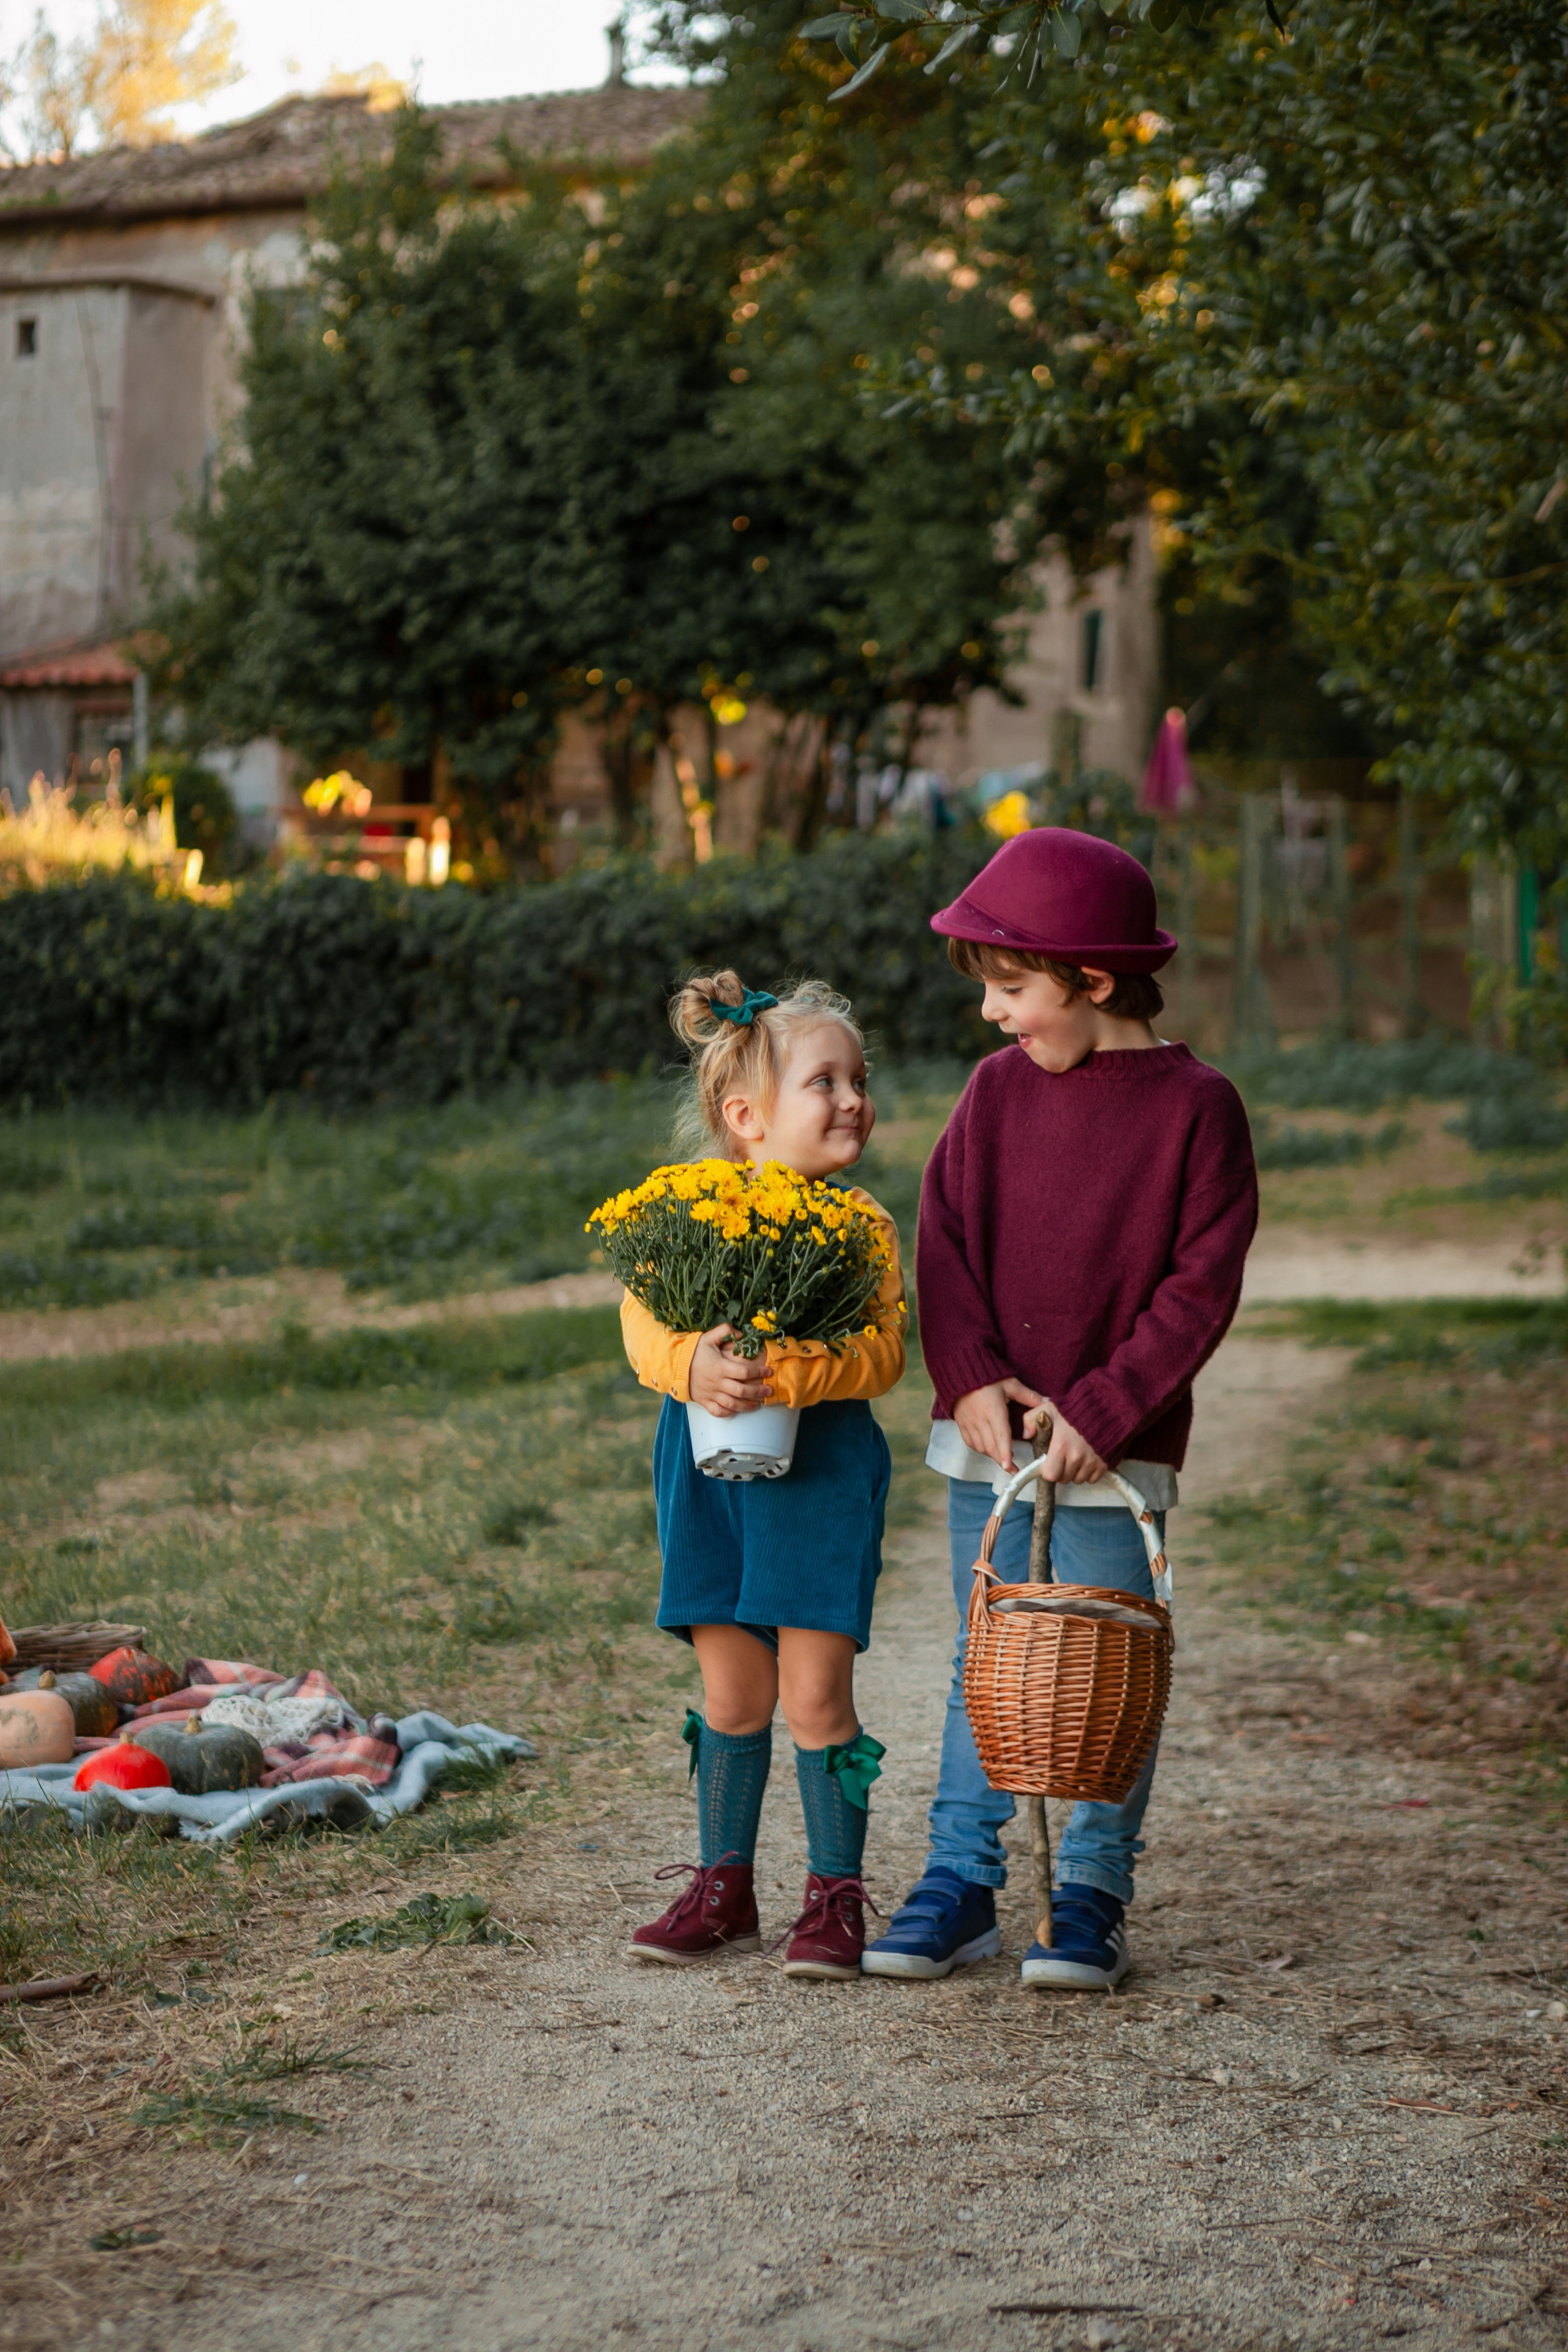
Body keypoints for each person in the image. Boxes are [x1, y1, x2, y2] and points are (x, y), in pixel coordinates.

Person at [862, 827, 1257, 1992]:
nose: (992, 1014)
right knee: (988, 1660)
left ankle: (1088, 1892)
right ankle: (960, 1882)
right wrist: (970, 1374)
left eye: (1012, 987)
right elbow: (944, 1239)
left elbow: (1200, 1288)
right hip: (991, 1441)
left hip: (1115, 1454)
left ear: (1093, 979)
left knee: (1104, 1669)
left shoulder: (1199, 1109)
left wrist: (1108, 1408)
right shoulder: (993, 1095)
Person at [621, 972, 907, 1980]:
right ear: (746, 1117)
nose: (853, 1099)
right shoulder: (685, 1212)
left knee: (816, 1697)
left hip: (820, 1479)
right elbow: (640, 1323)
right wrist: (690, 1363)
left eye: (859, 1081)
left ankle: (834, 1896)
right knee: (733, 1693)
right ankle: (724, 1888)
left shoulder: (861, 1226)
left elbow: (883, 1353)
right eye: (825, 1082)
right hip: (704, 1477)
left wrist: (792, 1370)